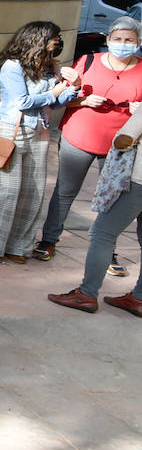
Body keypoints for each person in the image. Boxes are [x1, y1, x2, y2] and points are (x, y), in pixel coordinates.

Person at [34, 16, 142, 270]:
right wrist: (82, 101)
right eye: (118, 39)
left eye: (129, 40)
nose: (123, 44)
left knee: (113, 197)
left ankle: (106, 249)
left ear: (138, 43)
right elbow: (60, 100)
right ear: (108, 40)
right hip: (79, 136)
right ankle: (48, 240)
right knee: (65, 191)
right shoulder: (88, 61)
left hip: (120, 145)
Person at [0, 21, 77, 264]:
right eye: (54, 38)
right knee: (6, 191)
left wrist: (73, 87)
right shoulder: (12, 66)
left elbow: (54, 104)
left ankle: (17, 245)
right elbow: (22, 102)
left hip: (40, 131)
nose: (57, 43)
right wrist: (54, 92)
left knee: (32, 192)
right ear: (37, 40)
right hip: (11, 131)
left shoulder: (49, 66)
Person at [48, 103, 142, 315]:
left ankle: (86, 295)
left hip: (138, 182)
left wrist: (129, 138)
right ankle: (138, 299)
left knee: (102, 234)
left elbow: (123, 140)